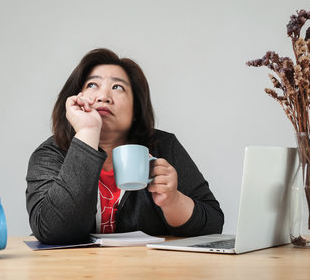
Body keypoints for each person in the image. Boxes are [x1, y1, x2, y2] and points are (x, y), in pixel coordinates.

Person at [26, 48, 224, 244]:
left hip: (147, 272)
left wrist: (173, 201)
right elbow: (53, 230)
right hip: (72, 273)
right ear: (76, 98)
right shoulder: (50, 153)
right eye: (93, 85)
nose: (103, 96)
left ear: (136, 109)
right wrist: (87, 131)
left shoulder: (164, 146)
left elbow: (213, 223)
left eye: (117, 87)